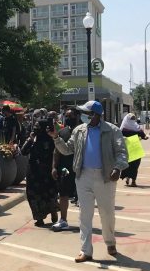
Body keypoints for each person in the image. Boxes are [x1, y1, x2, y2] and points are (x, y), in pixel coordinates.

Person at [50, 100, 129, 262]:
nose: (83, 116)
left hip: (105, 176)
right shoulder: (79, 131)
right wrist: (56, 138)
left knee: (107, 214)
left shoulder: (111, 130)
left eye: (86, 113)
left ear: (95, 115)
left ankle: (110, 242)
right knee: (84, 215)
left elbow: (122, 151)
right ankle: (86, 250)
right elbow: (67, 150)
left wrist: (118, 167)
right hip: (83, 176)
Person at [21, 117, 59, 227]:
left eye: (38, 126)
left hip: (47, 172)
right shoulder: (33, 139)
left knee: (48, 194)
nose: (35, 128)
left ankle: (53, 211)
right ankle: (39, 218)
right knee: (33, 195)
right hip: (34, 172)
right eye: (35, 126)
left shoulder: (52, 139)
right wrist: (30, 139)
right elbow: (23, 151)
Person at [51, 109, 79, 232]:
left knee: (84, 196)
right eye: (66, 116)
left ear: (78, 116)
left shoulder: (84, 131)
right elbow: (56, 151)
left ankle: (85, 221)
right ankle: (63, 220)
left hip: (81, 168)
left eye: (70, 116)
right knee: (63, 195)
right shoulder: (62, 132)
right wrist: (53, 167)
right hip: (65, 168)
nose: (67, 118)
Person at [120, 113, 149, 187]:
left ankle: (127, 178)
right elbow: (144, 137)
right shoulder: (137, 127)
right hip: (136, 148)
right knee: (135, 165)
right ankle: (133, 181)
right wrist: (146, 137)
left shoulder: (123, 128)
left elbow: (119, 138)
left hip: (127, 148)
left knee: (128, 164)